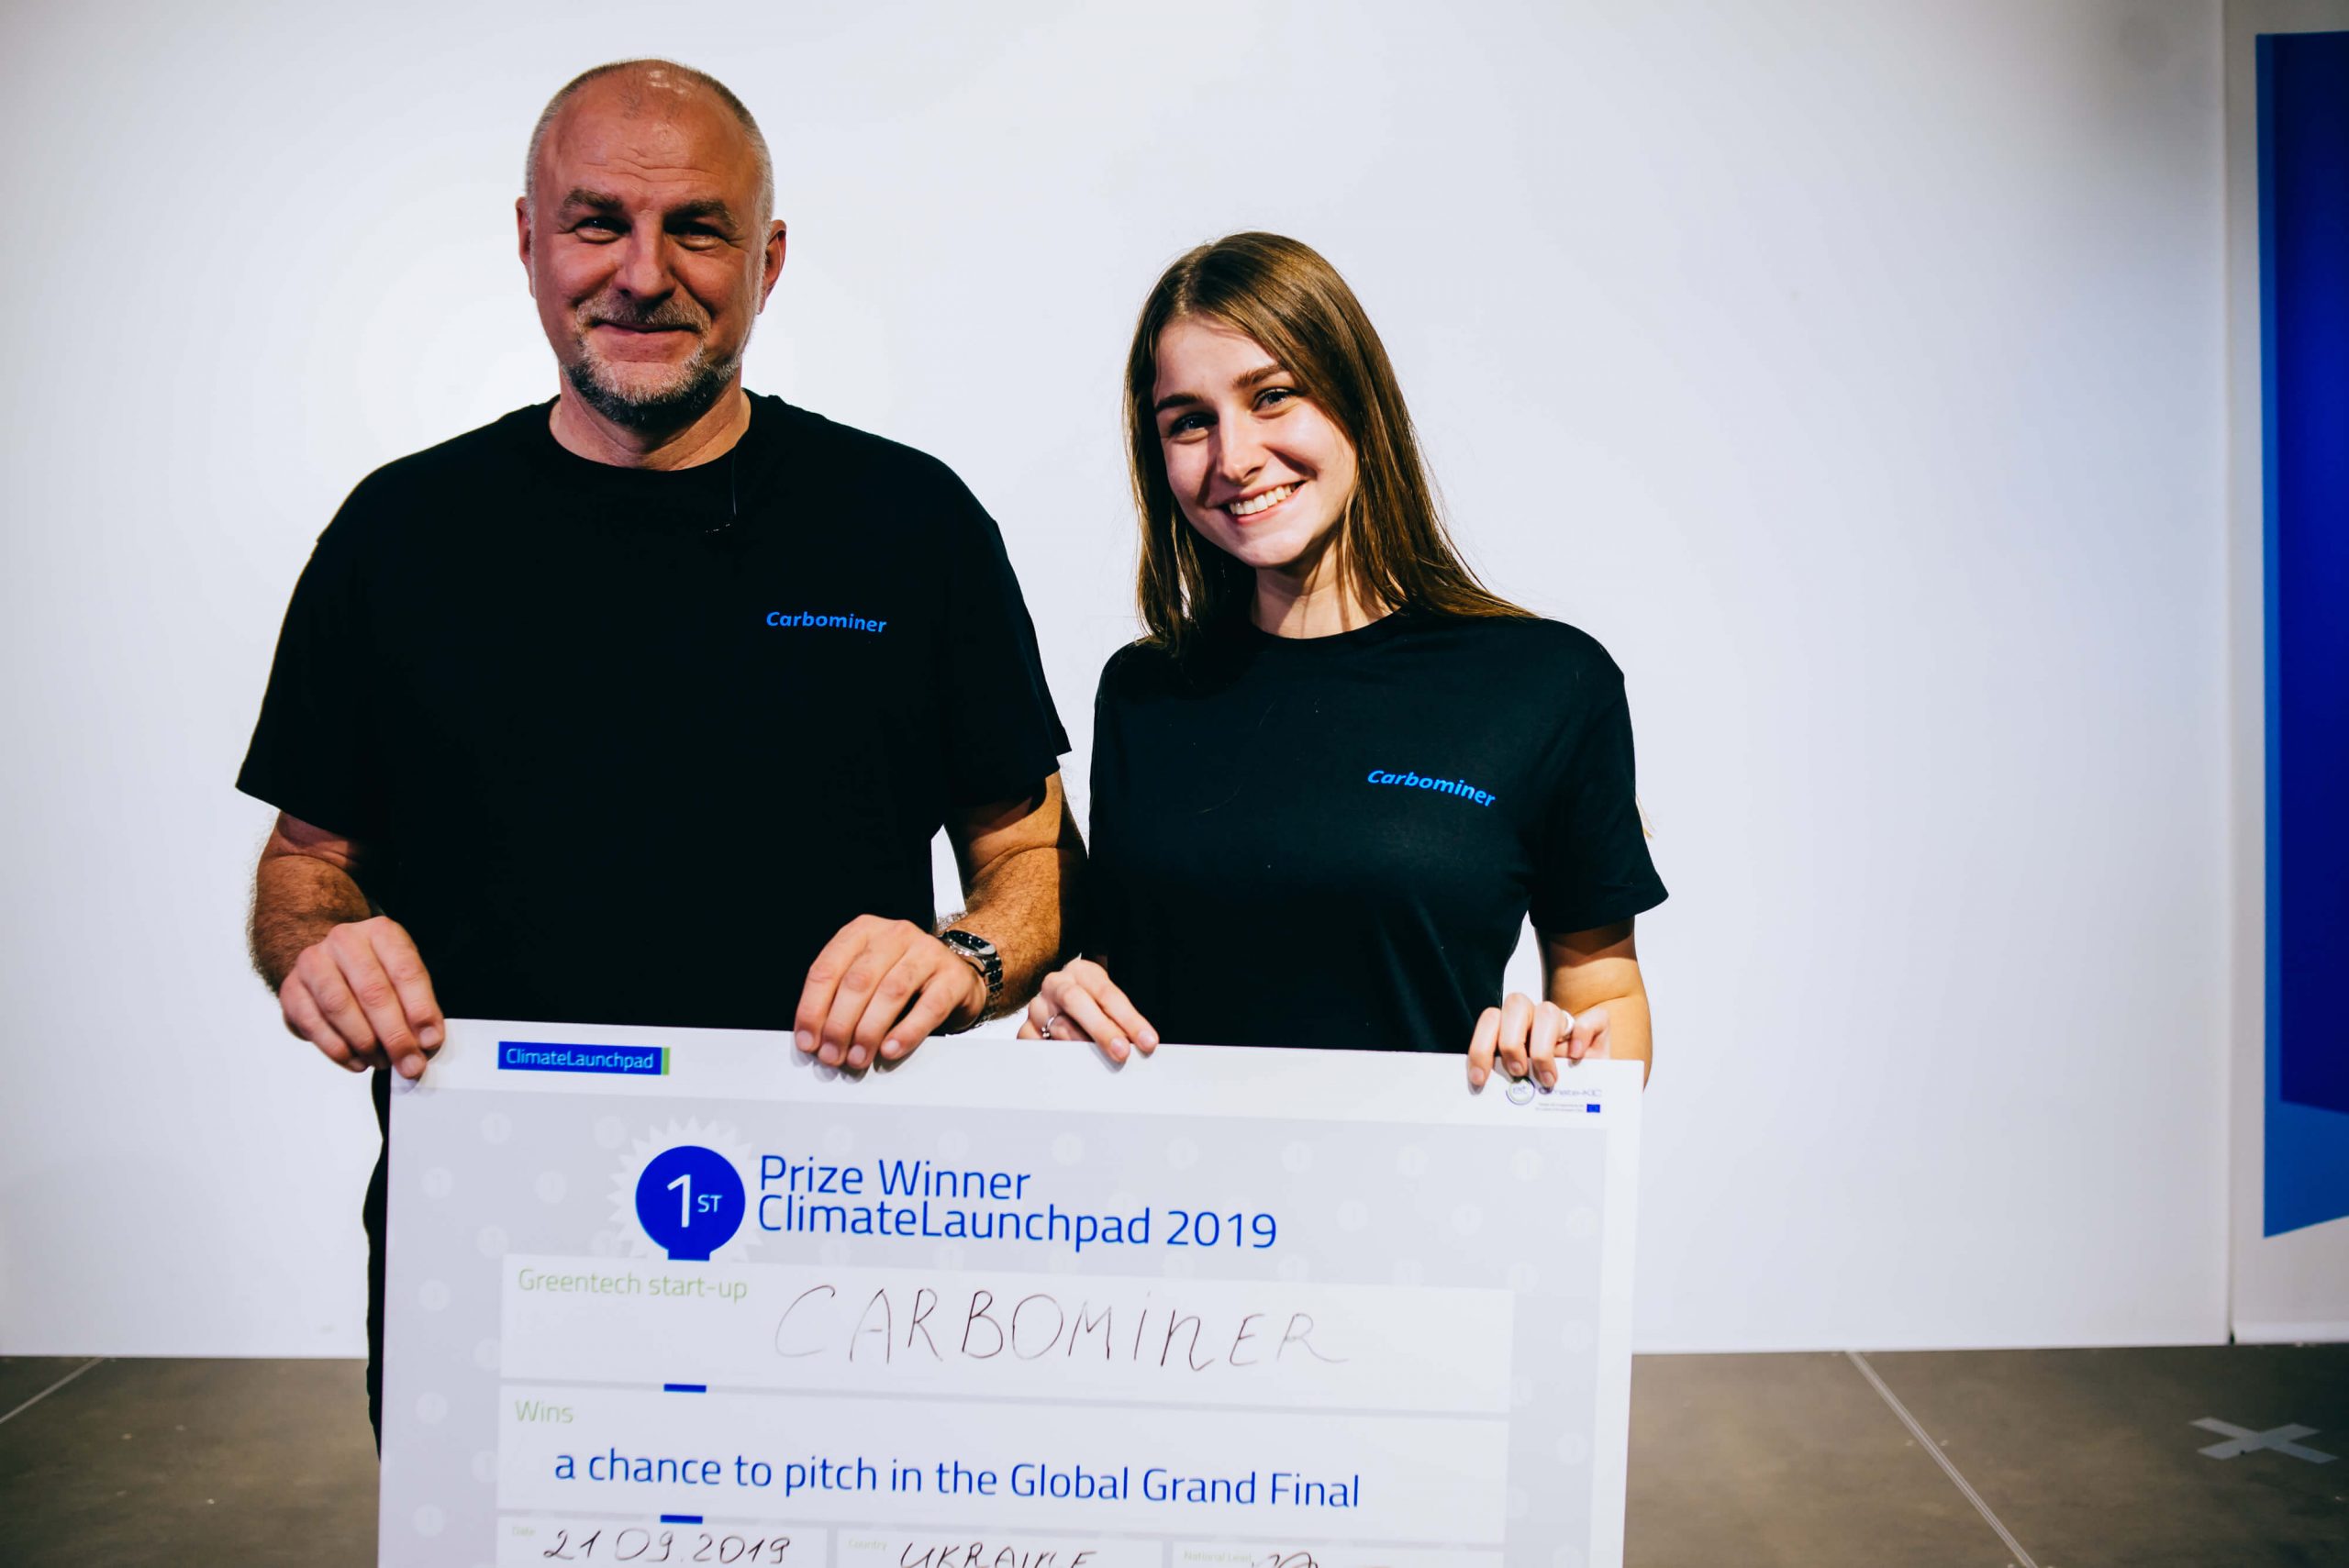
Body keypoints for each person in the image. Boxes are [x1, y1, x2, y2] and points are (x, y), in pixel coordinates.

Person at [238, 60, 1075, 1440]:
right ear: (528, 242)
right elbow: (304, 865)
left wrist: (968, 957)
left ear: (768, 261)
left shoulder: (911, 526)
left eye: (696, 228)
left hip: (837, 1252)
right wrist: (319, 947)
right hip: (489, 1243)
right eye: (596, 223)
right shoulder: (399, 537)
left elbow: (1031, 853)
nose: (643, 273)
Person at [1020, 233, 1663, 1086]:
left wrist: (1564, 1053)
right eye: (1190, 422)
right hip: (1173, 1174)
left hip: (1418, 1172)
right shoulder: (1144, 690)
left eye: (1273, 396)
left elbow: (1604, 988)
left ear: (1357, 396)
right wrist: (1069, 1012)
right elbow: (1119, 966)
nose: (1234, 457)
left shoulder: (1549, 683)